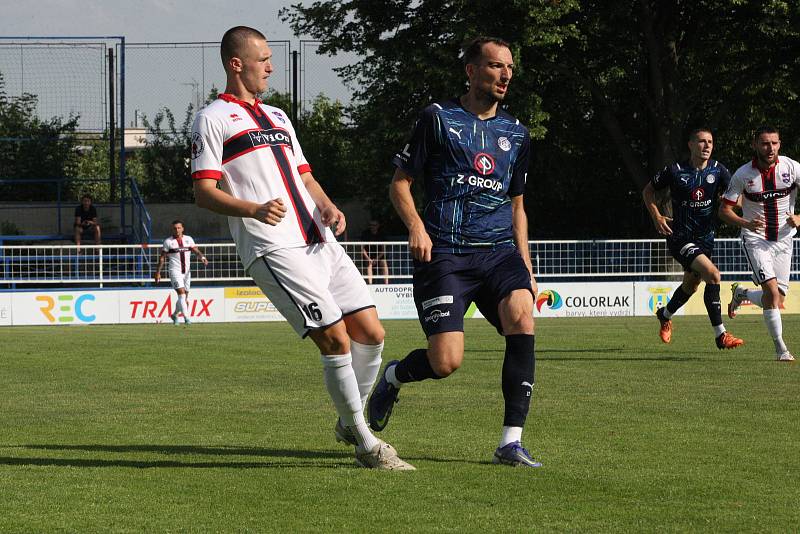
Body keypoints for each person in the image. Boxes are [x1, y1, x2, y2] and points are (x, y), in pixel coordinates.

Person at [191, 26, 413, 470]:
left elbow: (304, 176)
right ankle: (367, 443)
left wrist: (328, 206)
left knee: (372, 333)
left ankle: (348, 419)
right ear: (237, 64)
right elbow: (203, 190)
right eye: (263, 59)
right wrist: (252, 209)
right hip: (273, 247)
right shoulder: (211, 117)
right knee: (334, 340)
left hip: (319, 239)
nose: (270, 67)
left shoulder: (277, 116)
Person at [367, 36, 541, 467]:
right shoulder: (438, 118)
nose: (505, 75)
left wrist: (526, 263)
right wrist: (416, 227)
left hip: (499, 251)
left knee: (522, 316)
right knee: (446, 362)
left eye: (509, 68)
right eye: (496, 66)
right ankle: (393, 376)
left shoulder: (517, 133)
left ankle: (510, 442)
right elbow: (400, 184)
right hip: (445, 252)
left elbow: (517, 207)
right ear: (471, 70)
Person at [642, 128, 744, 350]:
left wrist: (735, 202)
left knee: (692, 284)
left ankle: (665, 314)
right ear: (690, 145)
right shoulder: (676, 171)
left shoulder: (718, 170)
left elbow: (736, 200)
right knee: (713, 275)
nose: (706, 146)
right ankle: (721, 335)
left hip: (706, 239)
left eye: (710, 142)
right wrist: (656, 216)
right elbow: (648, 191)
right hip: (680, 236)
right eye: (701, 141)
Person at [720, 125, 800, 362]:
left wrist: (799, 217)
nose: (770, 148)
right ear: (755, 145)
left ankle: (742, 293)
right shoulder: (743, 175)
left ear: (780, 144)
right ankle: (781, 349)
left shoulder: (792, 168)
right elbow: (724, 211)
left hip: (784, 239)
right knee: (772, 293)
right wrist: (745, 223)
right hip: (756, 240)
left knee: (777, 297)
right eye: (765, 143)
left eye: (774, 143)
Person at [154, 220, 208, 325]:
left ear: (182, 229)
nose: (177, 230)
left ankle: (174, 315)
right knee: (182, 295)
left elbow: (196, 250)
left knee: (184, 297)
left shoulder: (188, 239)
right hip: (175, 271)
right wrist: (158, 272)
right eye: (175, 228)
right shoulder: (168, 242)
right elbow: (162, 258)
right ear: (172, 229)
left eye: (179, 228)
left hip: (187, 272)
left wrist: (202, 257)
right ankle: (187, 319)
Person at [360, 219, 389, 284]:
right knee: (368, 264)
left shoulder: (382, 234)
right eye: (370, 225)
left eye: (374, 225)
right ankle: (370, 284)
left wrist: (376, 259)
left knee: (384, 263)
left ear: (378, 226)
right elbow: (362, 249)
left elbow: (383, 250)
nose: (372, 227)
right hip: (369, 255)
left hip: (379, 256)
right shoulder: (365, 234)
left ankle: (386, 285)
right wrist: (368, 258)